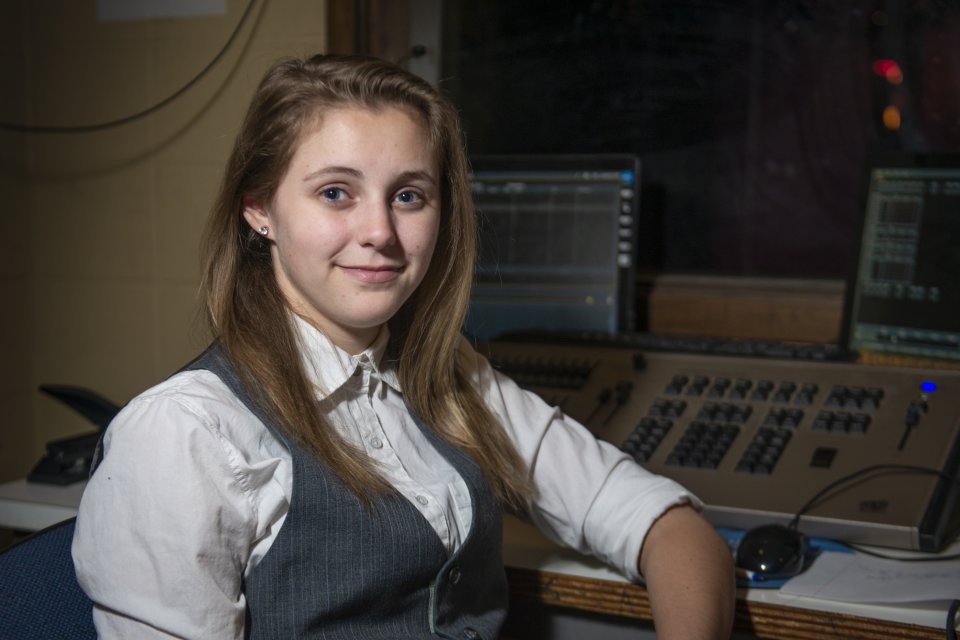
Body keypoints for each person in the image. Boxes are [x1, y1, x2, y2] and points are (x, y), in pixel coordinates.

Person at [72, 53, 735, 639]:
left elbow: (669, 527)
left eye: (409, 196)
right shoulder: (184, 432)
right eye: (336, 193)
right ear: (260, 210)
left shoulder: (452, 381)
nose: (380, 232)